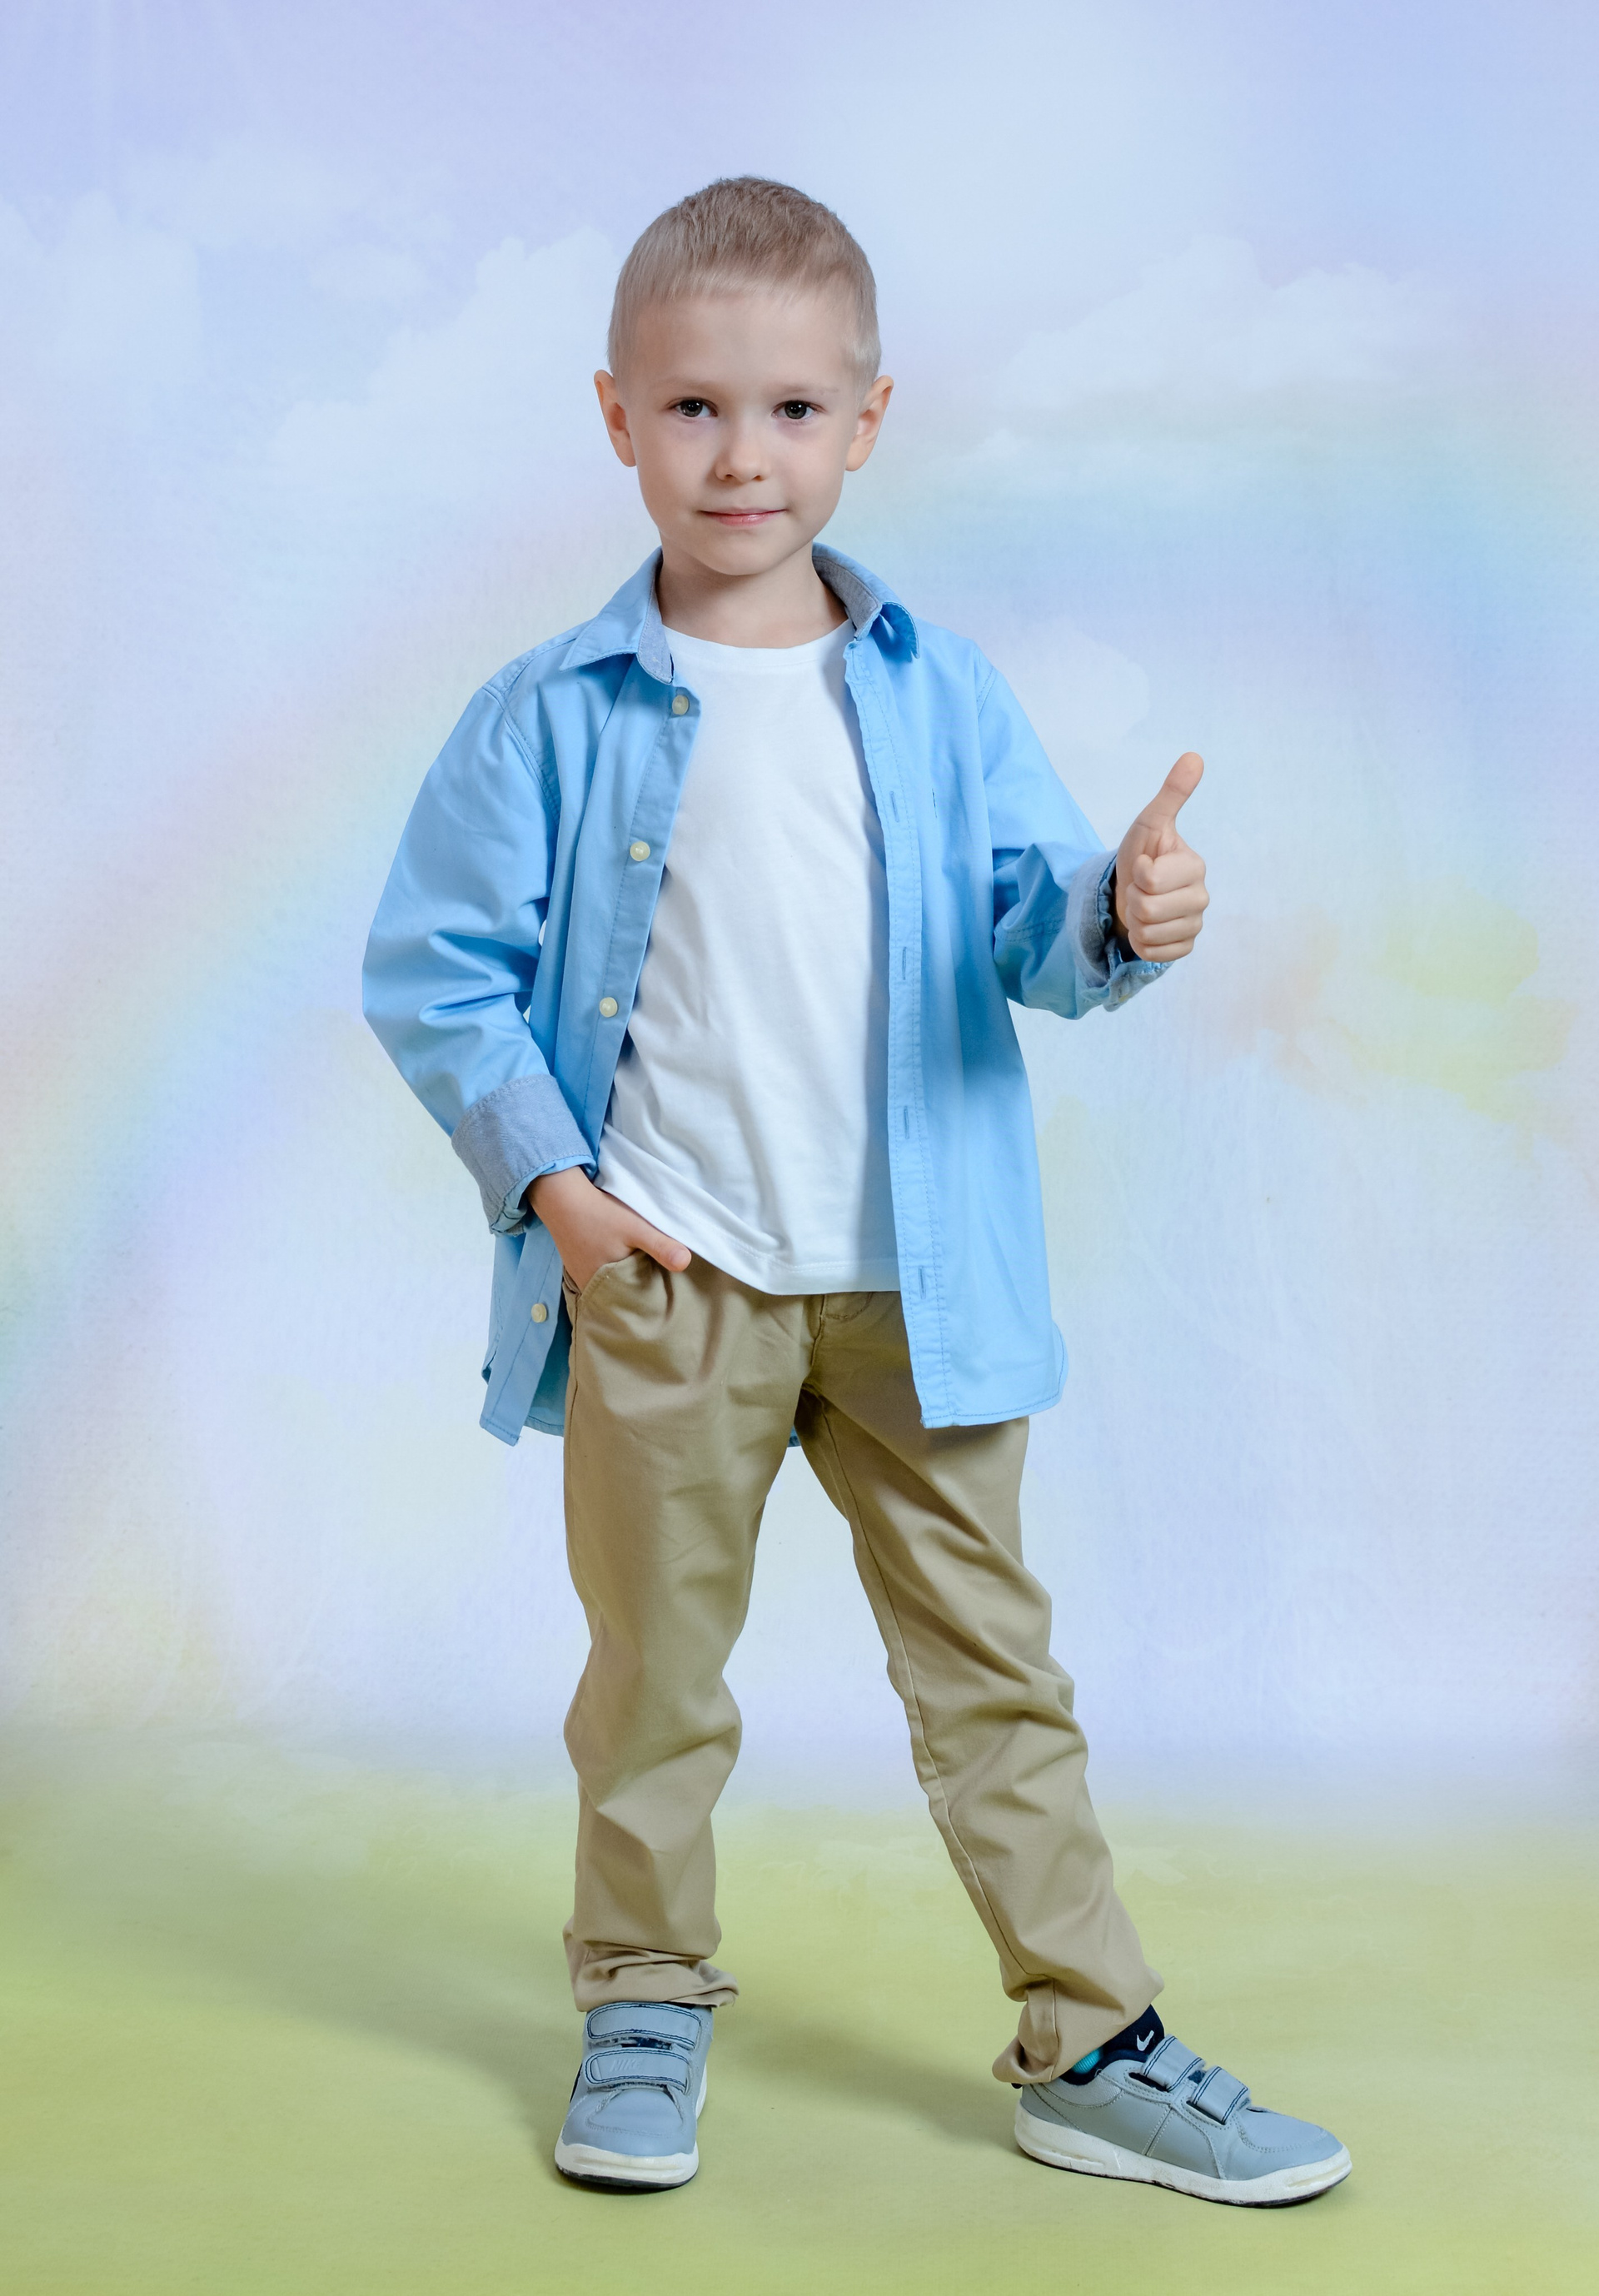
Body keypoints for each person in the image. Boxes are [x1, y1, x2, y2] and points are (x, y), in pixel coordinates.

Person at [362, 177, 1350, 2209]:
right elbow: (436, 972)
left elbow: (1037, 929)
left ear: (869, 421)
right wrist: (558, 1189)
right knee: (653, 1684)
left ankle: (1093, 2041)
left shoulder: (934, 688)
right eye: (696, 407)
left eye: (795, 409)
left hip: (922, 1288)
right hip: (668, 1282)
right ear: (618, 415)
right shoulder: (545, 713)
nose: (746, 454)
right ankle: (643, 1997)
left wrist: (1128, 909)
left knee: (996, 1679)